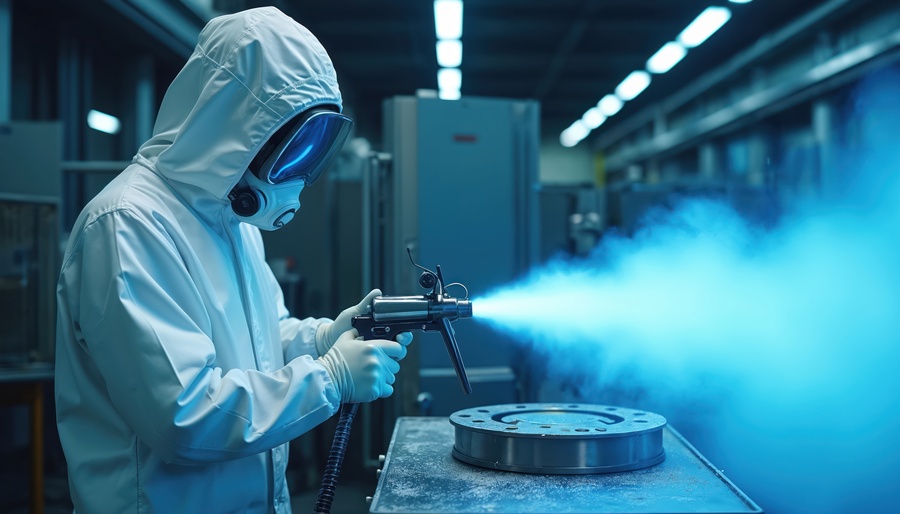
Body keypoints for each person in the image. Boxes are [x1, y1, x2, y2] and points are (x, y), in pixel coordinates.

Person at [54, 7, 410, 513]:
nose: (298, 172)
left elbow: (267, 341)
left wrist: (325, 336)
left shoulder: (230, 221)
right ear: (233, 128)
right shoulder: (127, 224)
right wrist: (329, 378)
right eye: (290, 148)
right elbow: (185, 418)